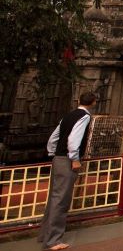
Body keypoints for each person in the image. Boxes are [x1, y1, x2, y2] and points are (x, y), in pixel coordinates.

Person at [39, 91, 97, 251]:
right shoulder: (84, 116)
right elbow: (73, 140)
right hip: (68, 161)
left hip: (58, 159)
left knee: (53, 198)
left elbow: (54, 137)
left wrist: (53, 153)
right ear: (93, 102)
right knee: (61, 200)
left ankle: (45, 235)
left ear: (79, 100)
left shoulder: (68, 116)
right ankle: (53, 241)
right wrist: (75, 159)